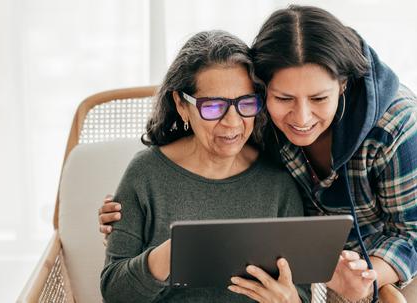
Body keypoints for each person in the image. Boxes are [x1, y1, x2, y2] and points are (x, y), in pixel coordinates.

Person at [99, 5, 417, 303]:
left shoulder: (396, 127)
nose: (301, 119)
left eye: (318, 98)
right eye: (284, 98)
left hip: (402, 254)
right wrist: (149, 241)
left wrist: (372, 278)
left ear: (343, 85)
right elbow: (116, 287)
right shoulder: (253, 127)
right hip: (335, 257)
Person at [100, 30, 311, 303]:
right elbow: (114, 292)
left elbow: (302, 293)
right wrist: (170, 255)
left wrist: (289, 300)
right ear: (181, 105)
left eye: (246, 103)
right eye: (213, 107)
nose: (232, 122)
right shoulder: (145, 174)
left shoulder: (278, 181)